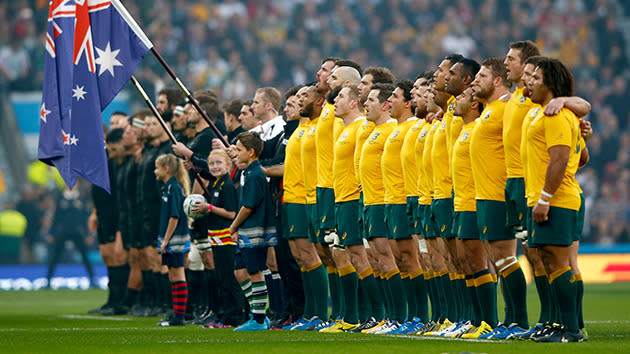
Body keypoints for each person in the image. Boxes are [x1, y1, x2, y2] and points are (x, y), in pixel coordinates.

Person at [525, 58, 585, 342]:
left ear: (550, 83)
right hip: (542, 198)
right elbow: (582, 156)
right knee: (549, 261)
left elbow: (560, 159)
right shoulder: (540, 113)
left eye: (536, 77)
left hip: (557, 200)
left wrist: (545, 198)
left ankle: (571, 329)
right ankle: (560, 325)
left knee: (560, 263)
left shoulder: (558, 115)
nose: (531, 82)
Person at [356, 83, 398, 333]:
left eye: (370, 100)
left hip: (383, 200)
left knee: (388, 257)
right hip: (369, 201)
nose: (365, 104)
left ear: (384, 105)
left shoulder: (390, 129)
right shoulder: (375, 130)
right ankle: (387, 317)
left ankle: (399, 317)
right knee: (377, 259)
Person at [194, 150, 248, 328]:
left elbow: (231, 213)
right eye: (212, 164)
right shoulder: (215, 184)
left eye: (219, 163)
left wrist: (208, 207)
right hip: (215, 237)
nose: (215, 167)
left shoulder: (227, 186)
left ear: (228, 165)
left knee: (229, 279)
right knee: (221, 278)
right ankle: (225, 316)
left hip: (226, 237)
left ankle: (237, 315)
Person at [230, 132, 277, 331]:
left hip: (255, 230)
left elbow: (249, 206)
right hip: (248, 229)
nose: (236, 154)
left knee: (254, 272)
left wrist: (233, 226)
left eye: (239, 150)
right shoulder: (247, 172)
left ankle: (258, 319)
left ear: (251, 152)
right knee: (240, 271)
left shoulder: (256, 173)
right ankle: (257, 311)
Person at [89, 127, 128, 315]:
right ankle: (112, 299)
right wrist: (95, 212)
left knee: (118, 256)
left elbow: (118, 194)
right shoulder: (97, 158)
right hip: (103, 214)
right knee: (108, 256)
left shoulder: (112, 160)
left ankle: (121, 300)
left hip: (115, 214)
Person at [154, 154, 191, 327]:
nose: (155, 171)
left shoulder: (174, 188)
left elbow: (174, 217)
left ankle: (179, 316)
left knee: (178, 274)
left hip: (175, 239)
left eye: (157, 167)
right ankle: (176, 313)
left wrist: (166, 240)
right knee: (172, 275)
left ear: (166, 169)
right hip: (170, 239)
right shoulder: (167, 187)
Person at [46, 184, 95, 287]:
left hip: (78, 232)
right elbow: (56, 217)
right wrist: (51, 233)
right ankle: (48, 281)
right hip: (63, 232)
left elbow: (85, 217)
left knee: (85, 256)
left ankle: (93, 280)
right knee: (55, 256)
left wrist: (88, 234)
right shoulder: (60, 199)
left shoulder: (81, 199)